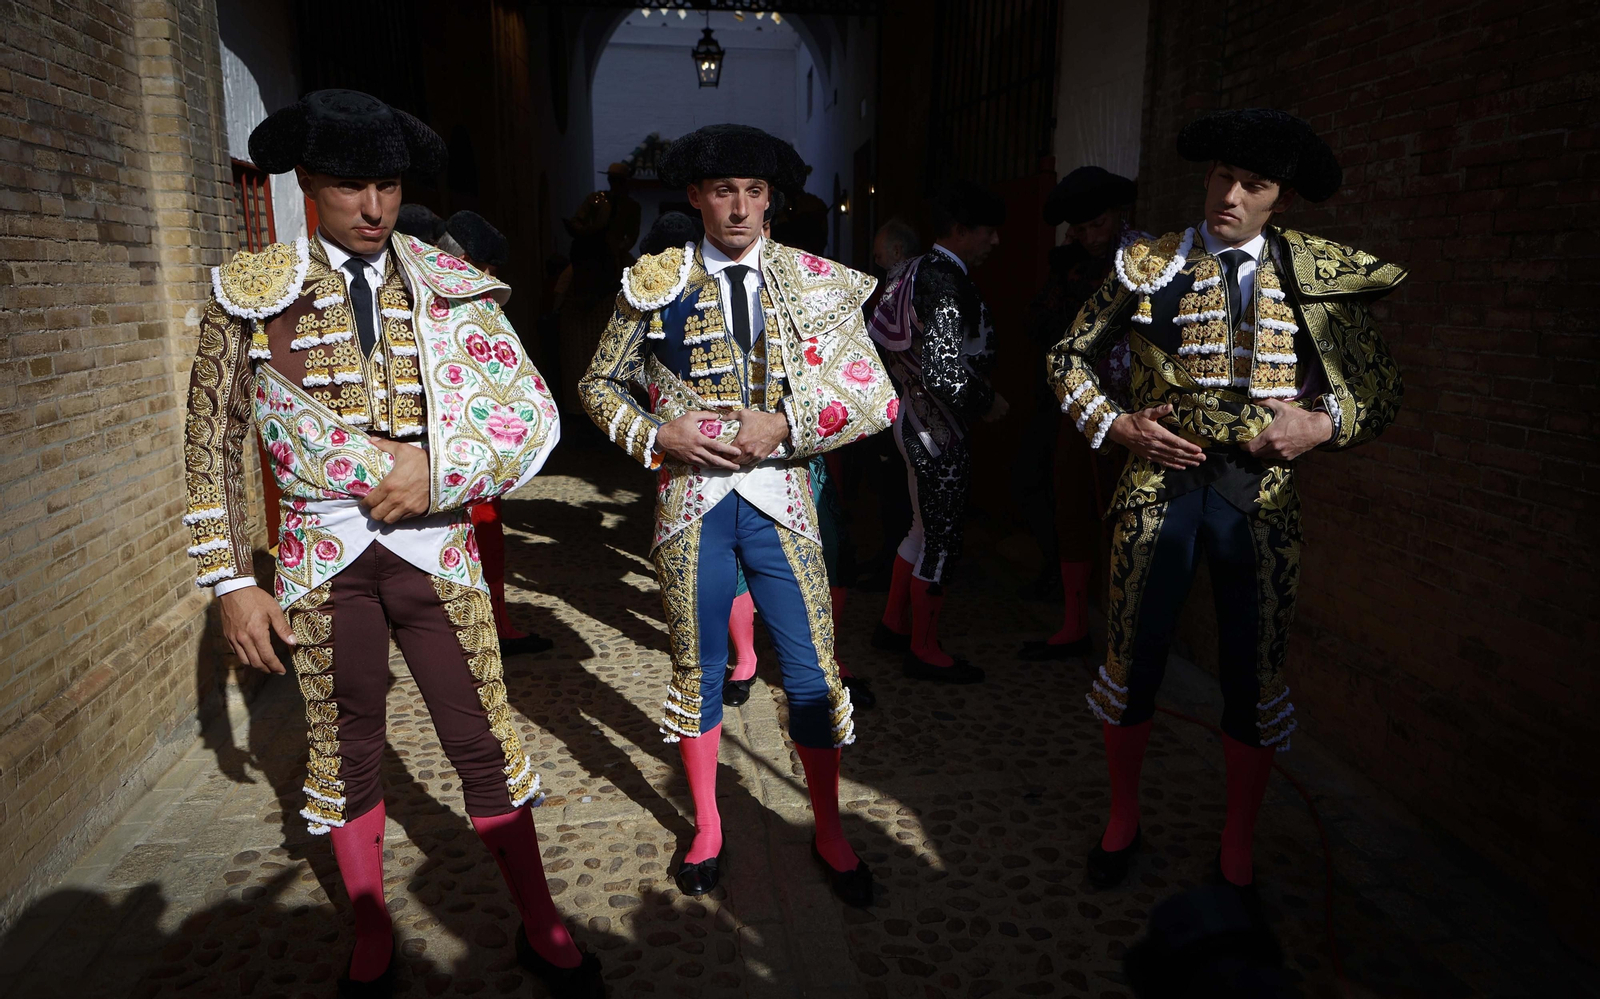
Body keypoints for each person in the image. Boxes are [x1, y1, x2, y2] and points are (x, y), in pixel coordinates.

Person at [181, 90, 603, 997]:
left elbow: (532, 416)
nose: (373, 206)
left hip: (439, 554)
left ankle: (540, 919)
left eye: (387, 183)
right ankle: (371, 930)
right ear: (307, 185)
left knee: (486, 739)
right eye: (349, 186)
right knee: (346, 747)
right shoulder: (246, 296)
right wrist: (226, 582)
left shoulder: (452, 284)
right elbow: (209, 444)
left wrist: (440, 472)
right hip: (321, 565)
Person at [1048, 108, 1406, 894]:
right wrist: (1118, 426)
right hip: (1157, 484)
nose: (1232, 195)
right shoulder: (1147, 260)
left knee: (1254, 670)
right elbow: (1065, 357)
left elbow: (1378, 391)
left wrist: (1318, 423)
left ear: (1281, 197)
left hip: (1261, 494)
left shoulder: (1313, 272)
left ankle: (1238, 840)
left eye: (1255, 184)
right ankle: (1122, 816)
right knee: (1132, 656)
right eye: (1222, 177)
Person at [578, 123, 898, 908]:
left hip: (782, 502)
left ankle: (828, 824)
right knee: (698, 672)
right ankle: (710, 825)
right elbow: (596, 384)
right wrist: (657, 432)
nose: (741, 207)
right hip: (691, 505)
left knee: (816, 674)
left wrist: (785, 424)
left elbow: (874, 395)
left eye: (755, 192)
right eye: (724, 191)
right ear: (695, 196)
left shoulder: (814, 280)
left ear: (772, 200)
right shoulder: (652, 281)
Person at [869, 180, 1008, 684]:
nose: (996, 241)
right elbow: (947, 370)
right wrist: (988, 401)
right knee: (942, 537)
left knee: (921, 530)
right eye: (989, 231)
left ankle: (892, 625)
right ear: (962, 230)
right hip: (937, 428)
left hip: (914, 415)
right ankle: (924, 649)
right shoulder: (945, 279)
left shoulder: (913, 270)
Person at [1015, 167, 1138, 661]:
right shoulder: (1071, 266)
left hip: (1133, 410)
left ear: (1118, 214)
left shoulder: (1149, 257)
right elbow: (1039, 324)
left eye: (1097, 224)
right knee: (1071, 505)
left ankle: (1123, 637)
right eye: (1081, 229)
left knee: (1125, 517)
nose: (1090, 236)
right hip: (1079, 405)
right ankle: (1073, 625)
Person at [435, 210, 557, 660]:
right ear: (468, 262)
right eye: (488, 270)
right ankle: (491, 628)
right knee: (481, 534)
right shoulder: (474, 306)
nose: (491, 279)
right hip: (467, 446)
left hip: (438, 446)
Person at [601, 161, 643, 262]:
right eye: (613, 180)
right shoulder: (596, 200)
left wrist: (619, 250)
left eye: (619, 180)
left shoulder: (632, 206)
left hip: (617, 252)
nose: (615, 183)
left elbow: (632, 236)